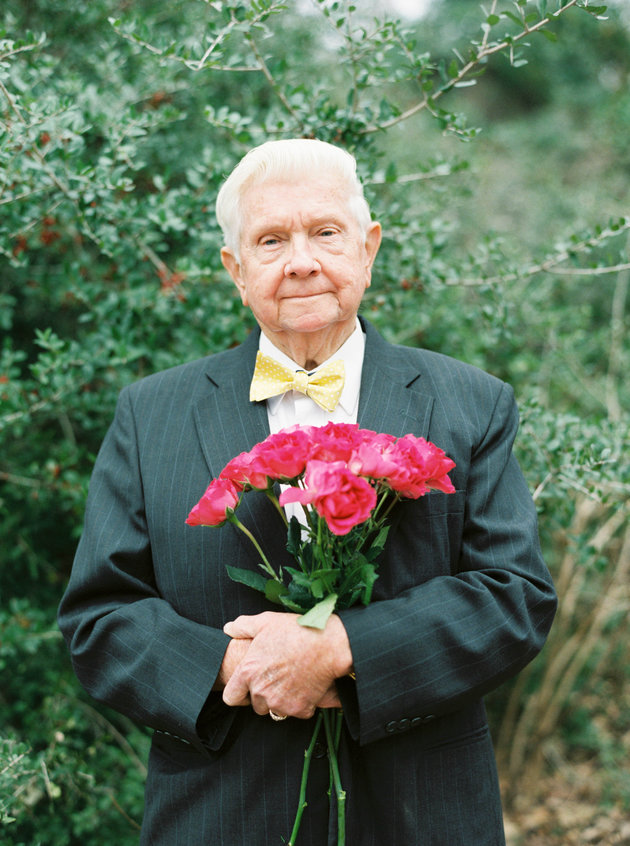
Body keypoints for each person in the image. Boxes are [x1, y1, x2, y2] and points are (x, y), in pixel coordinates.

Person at [58, 138, 557, 846]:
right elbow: (100, 618)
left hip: (419, 814)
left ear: (368, 247)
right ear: (236, 269)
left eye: (325, 232)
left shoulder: (471, 404)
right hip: (221, 815)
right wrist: (239, 667)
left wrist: (345, 647)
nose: (301, 261)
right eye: (270, 239)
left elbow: (514, 596)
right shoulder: (151, 415)